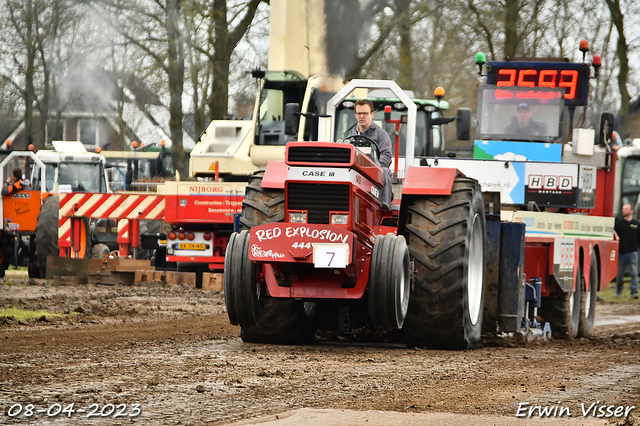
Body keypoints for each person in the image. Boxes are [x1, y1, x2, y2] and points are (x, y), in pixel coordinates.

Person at [346, 99, 393, 208]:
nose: (362, 116)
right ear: (355, 115)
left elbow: (386, 154)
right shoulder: (350, 136)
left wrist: (375, 168)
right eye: (359, 113)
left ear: (372, 114)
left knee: (385, 171)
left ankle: (384, 203)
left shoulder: (381, 134)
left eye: (365, 113)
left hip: (374, 171)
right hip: (356, 169)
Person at [614, 203, 640, 299]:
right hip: (621, 253)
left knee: (634, 273)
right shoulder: (619, 224)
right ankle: (618, 290)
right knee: (620, 274)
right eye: (623, 209)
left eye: (625, 209)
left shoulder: (636, 224)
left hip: (632, 252)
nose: (623, 211)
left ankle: (634, 292)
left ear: (631, 211)